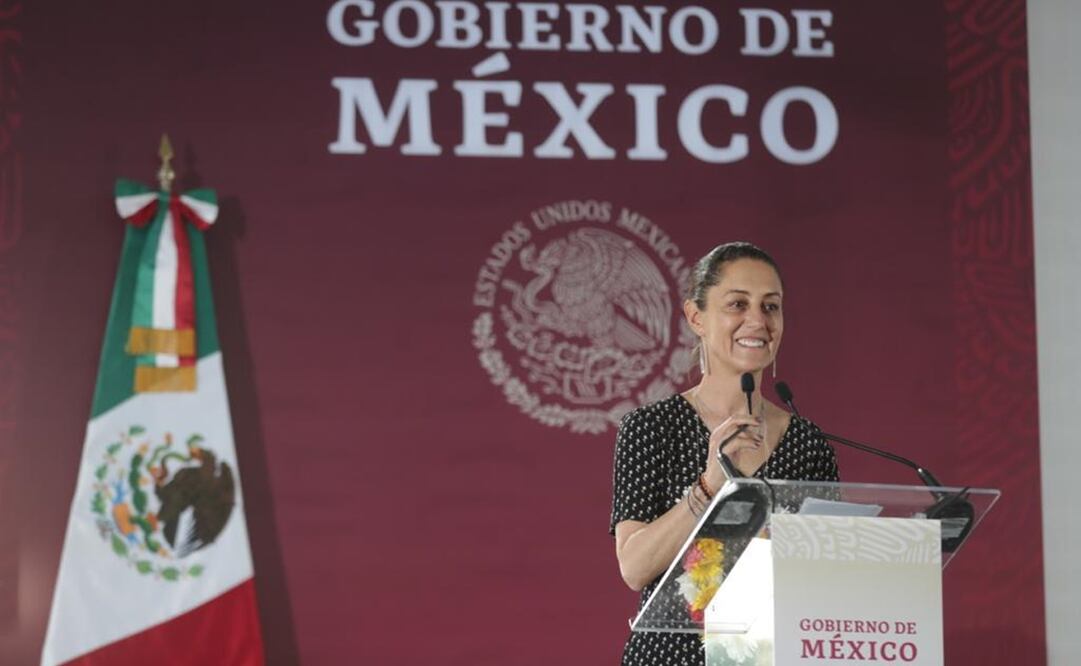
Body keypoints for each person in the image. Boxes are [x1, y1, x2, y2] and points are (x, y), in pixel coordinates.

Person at [609, 241, 840, 665]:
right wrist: (711, 484)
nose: (757, 320)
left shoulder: (808, 443)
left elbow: (828, 573)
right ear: (696, 317)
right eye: (738, 304)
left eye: (771, 307)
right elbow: (634, 567)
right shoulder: (652, 427)